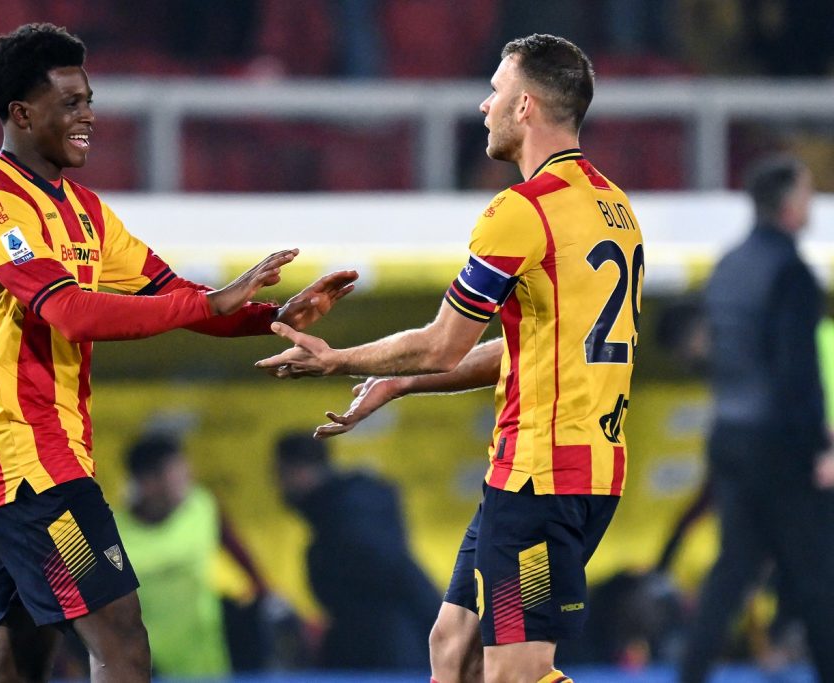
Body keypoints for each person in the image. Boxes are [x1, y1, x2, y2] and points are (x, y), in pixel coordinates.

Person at [0, 23, 356, 683]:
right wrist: (213, 304)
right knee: (124, 644)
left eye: (89, 100)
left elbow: (173, 293)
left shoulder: (85, 211)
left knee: (14, 664)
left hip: (40, 459)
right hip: (28, 465)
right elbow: (71, 312)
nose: (88, 115)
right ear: (22, 114)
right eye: (70, 102)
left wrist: (273, 317)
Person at [258, 34, 643, 683]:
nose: (484, 105)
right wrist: (401, 382)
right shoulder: (614, 207)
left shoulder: (521, 211)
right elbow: (528, 351)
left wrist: (339, 358)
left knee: (517, 673)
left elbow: (445, 342)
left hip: (543, 481)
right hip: (555, 473)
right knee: (452, 645)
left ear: (525, 106)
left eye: (495, 90)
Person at [678, 156, 834, 683]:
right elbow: (796, 373)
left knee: (733, 569)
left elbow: (715, 354)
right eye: (807, 194)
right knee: (817, 575)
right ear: (789, 205)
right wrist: (818, 447)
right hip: (779, 446)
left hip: (729, 437)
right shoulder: (791, 273)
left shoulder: (728, 266)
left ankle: (689, 674)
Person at [275, 432, 440, 671]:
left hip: (383, 658)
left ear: (299, 472)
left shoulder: (347, 520)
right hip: (377, 652)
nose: (277, 486)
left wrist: (447, 634)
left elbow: (399, 573)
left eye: (279, 474)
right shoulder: (337, 515)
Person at [114, 431, 269, 678]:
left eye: (186, 472)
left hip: (205, 658)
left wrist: (263, 592)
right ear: (147, 482)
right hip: (143, 664)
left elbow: (238, 551)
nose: (187, 481)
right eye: (176, 475)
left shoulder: (201, 507)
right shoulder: (111, 533)